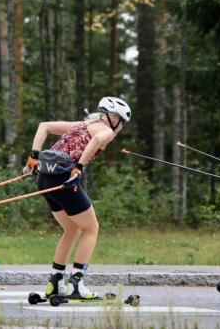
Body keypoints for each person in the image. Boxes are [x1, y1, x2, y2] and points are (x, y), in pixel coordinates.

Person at [24, 97, 131, 300]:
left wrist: (33, 156)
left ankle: (55, 283)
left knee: (72, 229)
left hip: (45, 178)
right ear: (114, 118)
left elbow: (44, 126)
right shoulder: (106, 131)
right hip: (65, 179)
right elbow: (98, 140)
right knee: (91, 229)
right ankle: (76, 284)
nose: (121, 127)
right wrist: (79, 167)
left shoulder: (80, 125)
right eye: (122, 122)